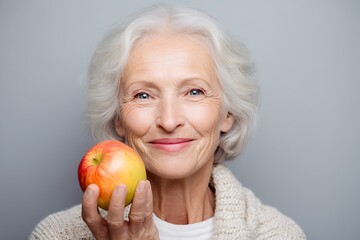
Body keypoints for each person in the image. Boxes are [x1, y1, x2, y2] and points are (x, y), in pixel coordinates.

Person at [30, 4, 306, 240]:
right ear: (118, 118)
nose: (169, 120)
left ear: (227, 113)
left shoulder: (279, 234)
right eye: (143, 95)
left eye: (194, 92)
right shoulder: (57, 234)